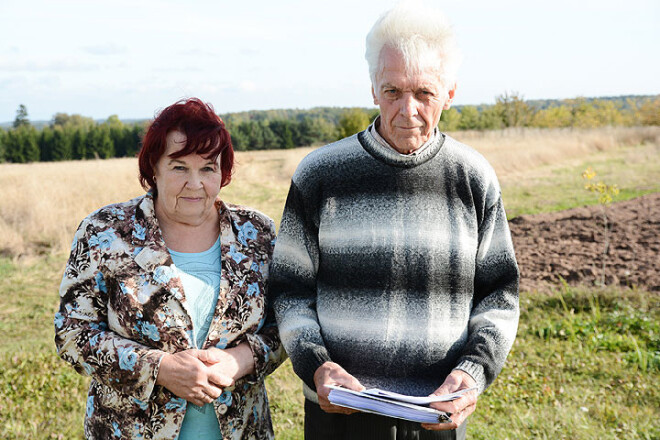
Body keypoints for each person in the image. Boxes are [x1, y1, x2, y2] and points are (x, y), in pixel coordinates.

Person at [270, 3, 519, 439]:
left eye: (424, 93)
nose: (408, 111)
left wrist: (474, 372)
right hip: (338, 419)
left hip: (437, 417)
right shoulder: (320, 174)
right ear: (372, 89)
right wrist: (317, 366)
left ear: (449, 93)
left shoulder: (474, 177)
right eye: (392, 91)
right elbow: (290, 293)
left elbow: (499, 297)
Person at [54, 98, 286, 439]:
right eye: (179, 167)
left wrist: (241, 359)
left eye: (208, 168)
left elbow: (286, 324)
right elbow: (72, 333)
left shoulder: (257, 233)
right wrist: (159, 369)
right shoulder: (105, 232)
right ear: (154, 168)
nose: (195, 183)